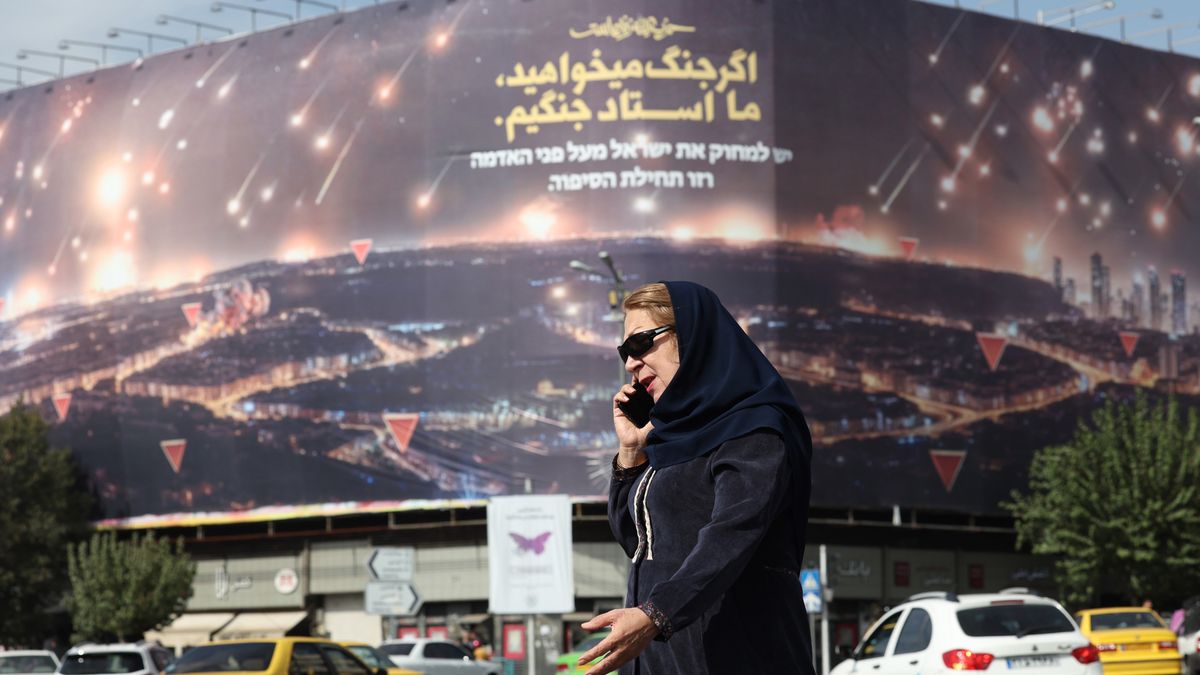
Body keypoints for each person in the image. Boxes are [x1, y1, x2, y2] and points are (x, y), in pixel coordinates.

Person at [579, 281, 815, 675]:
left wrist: (656, 614)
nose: (630, 364)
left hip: (739, 656)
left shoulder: (754, 429)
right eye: (625, 352)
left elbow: (732, 533)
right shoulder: (671, 436)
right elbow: (636, 542)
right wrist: (632, 454)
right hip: (666, 658)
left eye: (639, 344)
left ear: (690, 337)